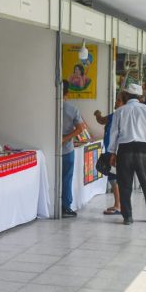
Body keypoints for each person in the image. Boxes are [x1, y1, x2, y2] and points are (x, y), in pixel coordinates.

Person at [108, 84, 146, 225]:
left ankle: (128, 217)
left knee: (124, 184)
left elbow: (114, 134)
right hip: (142, 150)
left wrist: (112, 153)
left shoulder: (119, 111)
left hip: (124, 151)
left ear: (126, 96)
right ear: (140, 97)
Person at [94, 92, 126, 215]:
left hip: (116, 153)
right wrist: (97, 114)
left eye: (118, 100)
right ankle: (119, 204)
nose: (115, 102)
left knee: (114, 178)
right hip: (111, 151)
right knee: (113, 178)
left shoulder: (122, 116)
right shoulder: (114, 115)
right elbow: (102, 120)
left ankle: (119, 205)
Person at [62, 80, 86, 218]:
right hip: (67, 149)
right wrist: (66, 138)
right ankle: (65, 207)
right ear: (68, 93)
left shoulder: (47, 107)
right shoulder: (72, 109)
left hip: (49, 147)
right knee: (66, 178)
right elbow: (81, 128)